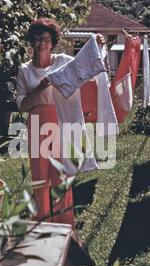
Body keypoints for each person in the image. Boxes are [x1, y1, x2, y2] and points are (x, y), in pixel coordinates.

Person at [15, 17, 105, 226]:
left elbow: (84, 66)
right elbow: (21, 105)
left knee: (61, 172)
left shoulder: (64, 61)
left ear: (52, 41)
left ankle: (63, 221)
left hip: (63, 118)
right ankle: (42, 220)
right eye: (37, 39)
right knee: (40, 174)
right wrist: (41, 86)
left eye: (45, 39)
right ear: (32, 41)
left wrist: (97, 44)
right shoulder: (25, 70)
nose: (41, 43)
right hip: (38, 122)